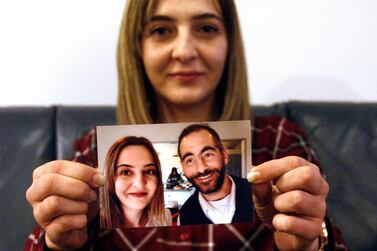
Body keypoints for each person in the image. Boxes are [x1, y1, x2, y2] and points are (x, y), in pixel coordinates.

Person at [24, 0, 348, 250]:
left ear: (228, 43)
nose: (185, 51)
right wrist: (58, 242)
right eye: (162, 31)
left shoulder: (277, 142)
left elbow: (327, 238)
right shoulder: (96, 151)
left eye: (206, 28)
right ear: (138, 47)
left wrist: (311, 241)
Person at [178, 123, 253, 225]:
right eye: (190, 160)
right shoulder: (185, 215)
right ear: (183, 166)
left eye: (208, 155)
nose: (201, 169)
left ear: (224, 156)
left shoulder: (257, 194)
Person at [101, 136, 171, 229]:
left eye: (149, 171)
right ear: (111, 179)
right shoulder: (96, 223)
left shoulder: (165, 218)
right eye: (125, 172)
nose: (139, 184)